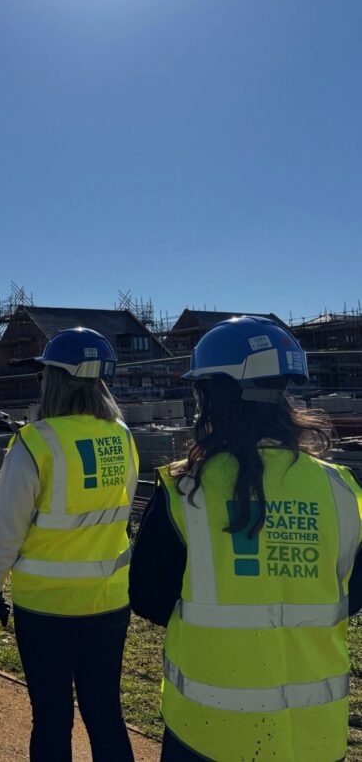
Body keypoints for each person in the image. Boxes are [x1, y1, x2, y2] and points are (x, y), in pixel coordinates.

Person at [130, 316, 362, 761]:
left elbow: (147, 597)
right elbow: (354, 592)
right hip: (314, 736)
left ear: (212, 395)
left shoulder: (185, 490)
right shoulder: (340, 488)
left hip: (207, 732)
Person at [0, 327, 137, 762]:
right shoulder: (122, 436)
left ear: (56, 379)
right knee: (105, 711)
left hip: (45, 606)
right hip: (108, 601)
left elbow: (8, 530)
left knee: (51, 716)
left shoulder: (34, 442)